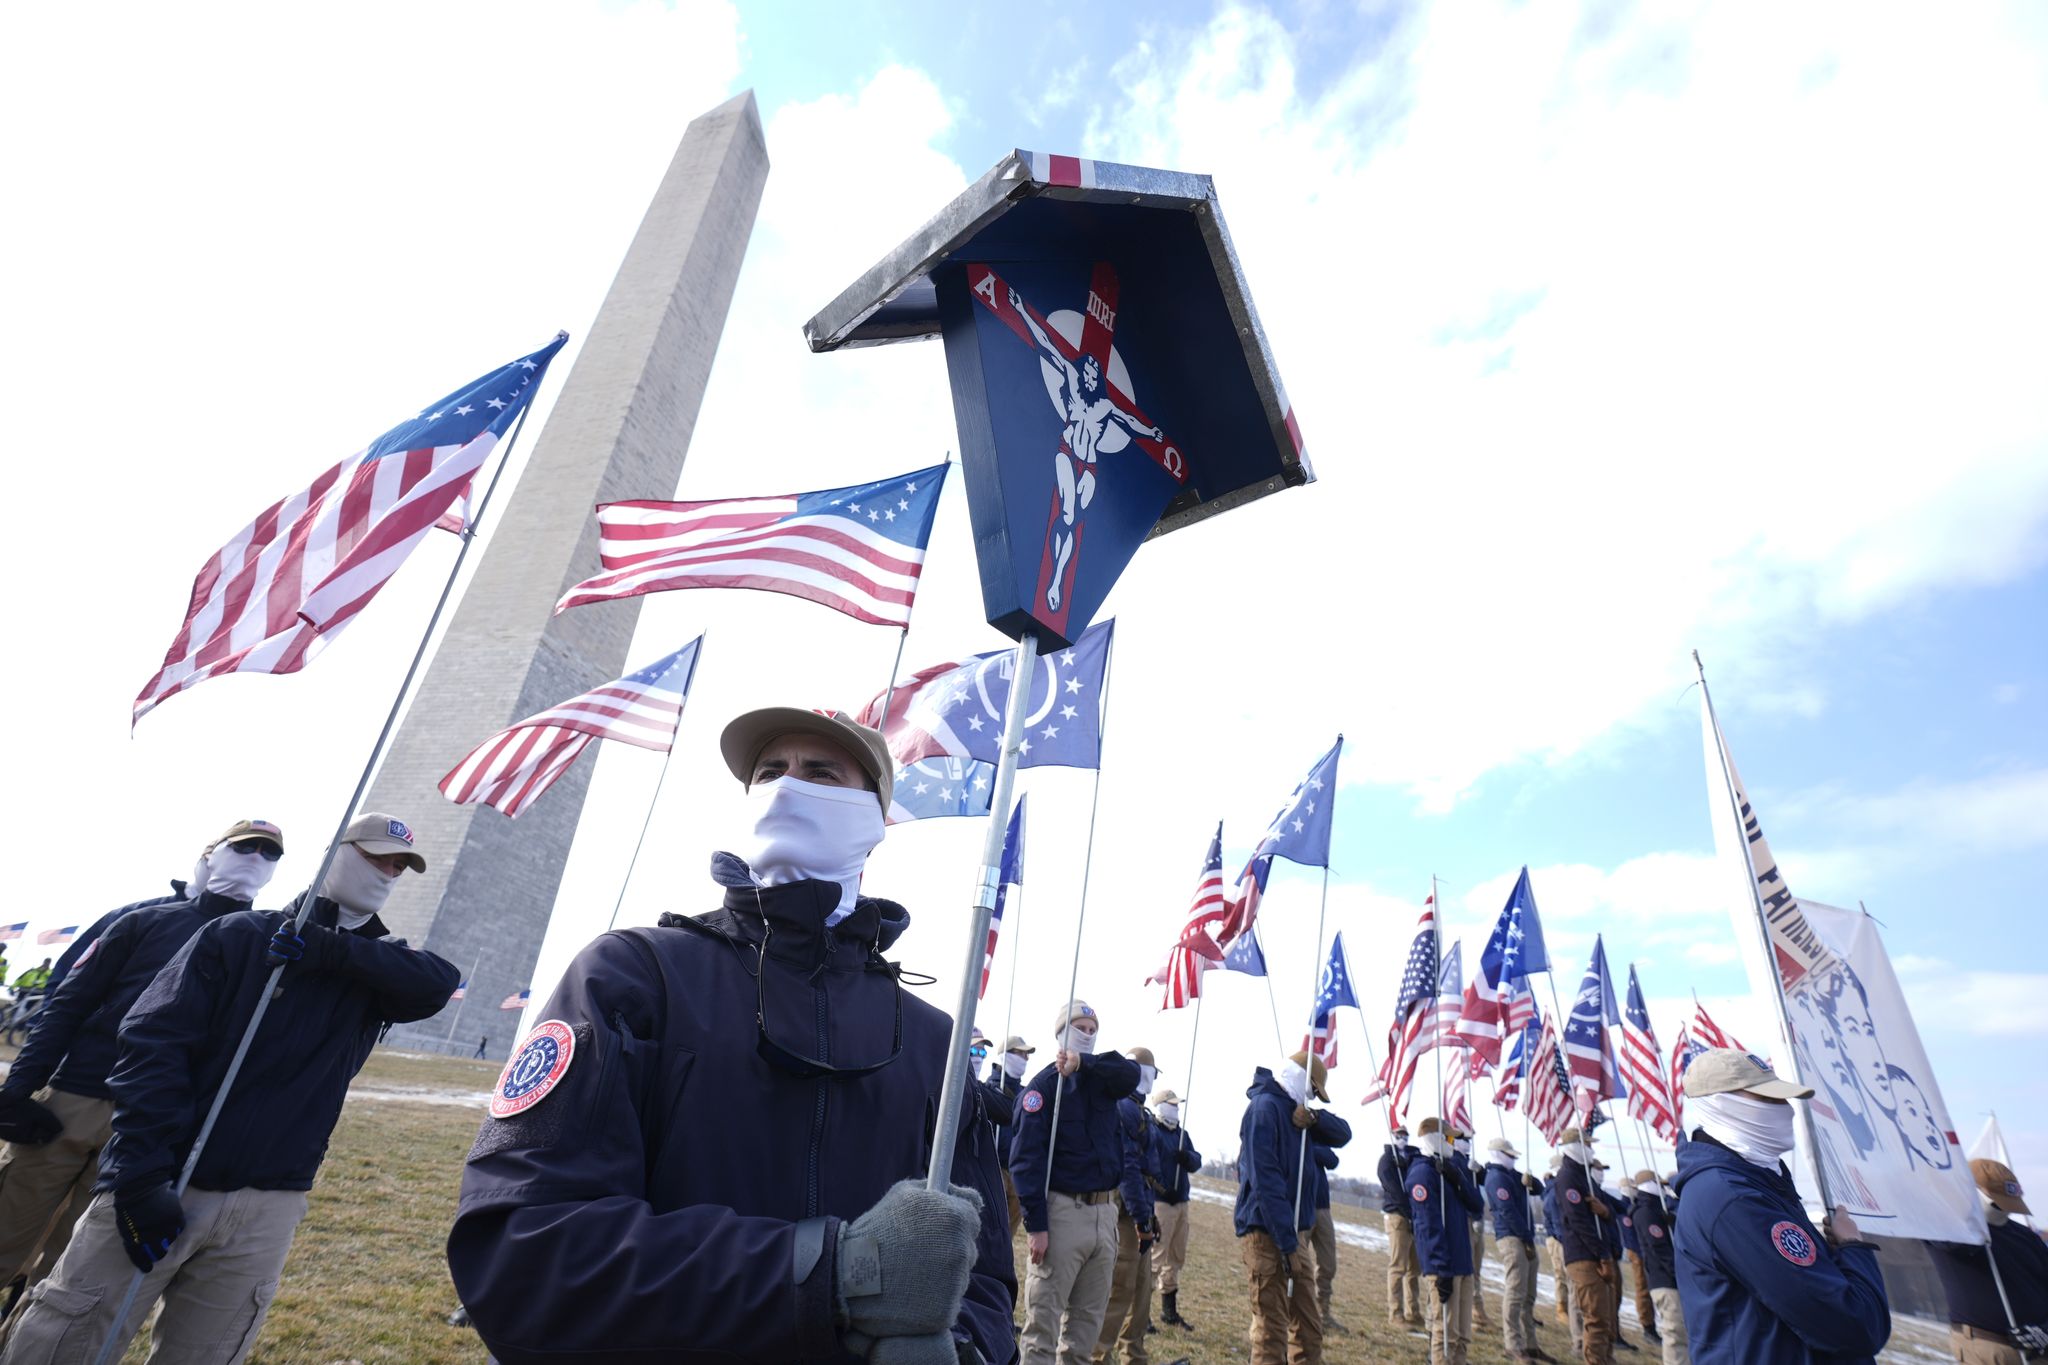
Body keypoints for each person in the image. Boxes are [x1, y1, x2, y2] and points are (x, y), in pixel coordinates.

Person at [447, 709, 1015, 1365]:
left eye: (821, 772)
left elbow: (984, 1279)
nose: (787, 786)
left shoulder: (932, 1042)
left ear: (873, 820)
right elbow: (527, 1244)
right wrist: (824, 1273)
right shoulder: (635, 974)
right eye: (770, 771)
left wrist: (962, 1348)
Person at [5, 811, 456, 1363]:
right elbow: (150, 1045)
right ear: (336, 854)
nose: (388, 873)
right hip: (172, 1174)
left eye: (399, 866)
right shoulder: (238, 934)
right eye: (376, 857)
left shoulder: (377, 967)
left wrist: (328, 949)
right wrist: (142, 1174)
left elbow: (438, 982)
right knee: (65, 1337)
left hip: (271, 1199)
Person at [0, 819, 285, 1307]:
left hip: (150, 1123)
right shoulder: (141, 920)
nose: (255, 858)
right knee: (8, 1230)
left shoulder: (265, 942)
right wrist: (18, 1088)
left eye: (269, 853)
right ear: (211, 855)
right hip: (76, 1099)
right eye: (244, 847)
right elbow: (68, 1003)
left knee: (69, 1267)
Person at [1671, 1048, 1890, 1365]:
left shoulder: (1759, 1181)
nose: (1785, 1110)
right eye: (1768, 1100)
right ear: (1723, 1103)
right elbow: (1855, 1326)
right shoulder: (1734, 1198)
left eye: (1783, 1099)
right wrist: (1854, 1247)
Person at [1013, 999, 1141, 1365]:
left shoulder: (1103, 1081)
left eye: (1091, 1030)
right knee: (1042, 1329)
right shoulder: (1044, 1087)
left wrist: (1084, 1063)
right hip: (1062, 1214)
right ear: (1060, 1032)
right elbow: (1026, 1161)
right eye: (1079, 1028)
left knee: (1085, 1331)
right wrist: (1037, 1226)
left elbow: (1130, 1073)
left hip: (1104, 1216)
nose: (1086, 1034)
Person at [1234, 1052, 1329, 1365]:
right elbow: (1266, 1183)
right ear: (1299, 1077)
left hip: (1293, 1235)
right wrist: (1287, 1243)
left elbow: (1342, 1135)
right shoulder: (1264, 1109)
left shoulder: (1298, 1114)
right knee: (1271, 1328)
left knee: (1309, 1326)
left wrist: (1315, 1118)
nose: (1313, 1096)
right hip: (1266, 1233)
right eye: (1312, 1089)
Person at [1925, 1158, 2048, 1365]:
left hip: (2037, 1352)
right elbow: (1957, 1247)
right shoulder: (1948, 1230)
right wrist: (1965, 1208)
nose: (2006, 1211)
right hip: (1987, 1349)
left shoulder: (2025, 1237)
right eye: (1997, 1205)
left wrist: (2045, 1331)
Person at [1092, 1046, 1159, 1365]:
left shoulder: (1140, 1111)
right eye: (1149, 1072)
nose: (1151, 1079)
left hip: (1141, 1209)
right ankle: (1098, 1355)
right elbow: (1129, 1167)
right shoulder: (1125, 1108)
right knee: (1120, 1290)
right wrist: (1141, 1217)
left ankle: (1133, 1354)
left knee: (1141, 1292)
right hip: (1126, 1215)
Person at [1406, 1116, 1484, 1365]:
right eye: (1449, 1138)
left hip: (1463, 1263)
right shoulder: (1422, 1174)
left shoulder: (1450, 1170)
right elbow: (1427, 1227)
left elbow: (1477, 1205)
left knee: (1462, 1335)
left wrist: (1458, 1178)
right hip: (1445, 1266)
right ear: (1435, 1139)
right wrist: (1440, 1269)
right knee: (1446, 1333)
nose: (1453, 1143)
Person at [1556, 1127, 1618, 1365]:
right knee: (1597, 1319)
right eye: (1587, 1145)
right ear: (1575, 1146)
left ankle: (1606, 1360)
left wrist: (1606, 1211)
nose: (1591, 1150)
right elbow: (1579, 1221)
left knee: (1608, 1319)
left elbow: (1609, 1209)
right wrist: (1603, 1255)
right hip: (1584, 1256)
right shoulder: (1567, 1178)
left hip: (1597, 1254)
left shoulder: (1585, 1178)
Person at [1483, 1137, 1547, 1364]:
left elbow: (1538, 1189)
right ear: (1499, 1154)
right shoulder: (1496, 1178)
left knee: (1528, 1295)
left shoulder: (1512, 1175)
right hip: (1512, 1237)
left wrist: (1531, 1181)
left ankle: (1531, 1344)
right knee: (1515, 1292)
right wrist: (1526, 1236)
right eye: (1510, 1155)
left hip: (1524, 1237)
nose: (1513, 1159)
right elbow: (1507, 1211)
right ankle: (1513, 1344)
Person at [1147, 1088, 1201, 1330]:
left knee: (1175, 1258)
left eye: (1178, 1105)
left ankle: (1169, 1311)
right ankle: (1141, 1313)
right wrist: (1160, 1186)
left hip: (1181, 1203)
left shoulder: (1182, 1135)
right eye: (1172, 1105)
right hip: (1161, 1203)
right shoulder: (1153, 1131)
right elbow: (1148, 1164)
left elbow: (1196, 1160)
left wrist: (1187, 1157)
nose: (1176, 1109)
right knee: (1154, 1258)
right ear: (1160, 1106)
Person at [1302, 1078, 1353, 1338]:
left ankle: (1323, 1312)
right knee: (1298, 1264)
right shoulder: (1290, 1124)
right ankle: (1298, 1312)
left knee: (1327, 1263)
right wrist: (1316, 1150)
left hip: (1322, 1206)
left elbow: (1334, 1154)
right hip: (1301, 1205)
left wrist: (1317, 1119)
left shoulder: (1313, 1126)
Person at [1631, 1170, 1687, 1365]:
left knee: (1681, 1332)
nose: (1663, 1188)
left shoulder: (1655, 1210)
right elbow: (1659, 1248)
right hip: (1665, 1280)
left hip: (1668, 1279)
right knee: (1675, 1333)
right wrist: (1679, 1274)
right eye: (1659, 1184)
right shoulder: (1646, 1213)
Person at [1589, 1158, 1637, 1353]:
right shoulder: (1590, 1191)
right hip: (1600, 1252)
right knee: (1604, 1299)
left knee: (1615, 1296)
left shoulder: (1601, 1193)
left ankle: (1614, 1335)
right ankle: (1607, 1338)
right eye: (1599, 1169)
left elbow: (1622, 1208)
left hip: (1612, 1251)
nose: (1602, 1173)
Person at [991, 1034, 1036, 1235]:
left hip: (1018, 1171)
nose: (1025, 1059)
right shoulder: (989, 1088)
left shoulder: (1028, 1093)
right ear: (1005, 1055)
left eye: (1027, 1055)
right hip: (995, 1169)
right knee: (990, 1227)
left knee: (1008, 1232)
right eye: (1020, 1053)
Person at [1381, 1124, 1424, 1329]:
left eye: (1405, 1135)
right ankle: (1395, 1313)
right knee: (1398, 1266)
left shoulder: (1411, 1161)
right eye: (1399, 1135)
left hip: (1413, 1219)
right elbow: (1393, 1189)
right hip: (1397, 1217)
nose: (1403, 1138)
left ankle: (1413, 1311)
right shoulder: (1386, 1161)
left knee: (1414, 1269)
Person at [1451, 1129, 1492, 1333]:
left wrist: (1479, 1171)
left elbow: (1483, 1181)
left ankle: (1477, 1309)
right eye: (1463, 1139)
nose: (1467, 1143)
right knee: (1467, 1267)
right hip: (1465, 1219)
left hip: (1477, 1218)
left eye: (1468, 1140)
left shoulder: (1469, 1161)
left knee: (1476, 1268)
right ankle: (1470, 1309)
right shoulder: (1454, 1160)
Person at [1616, 1173, 1659, 1345]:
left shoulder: (1632, 1205)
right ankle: (1647, 1325)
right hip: (1637, 1252)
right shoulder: (1625, 1209)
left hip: (1642, 1251)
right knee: (1642, 1288)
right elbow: (1630, 1235)